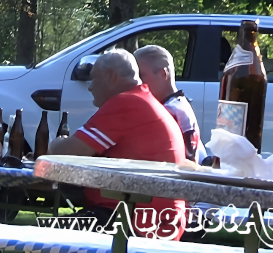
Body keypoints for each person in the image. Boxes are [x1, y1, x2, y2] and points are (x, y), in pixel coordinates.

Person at [48, 49, 187, 240]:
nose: (90, 87)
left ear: (111, 77)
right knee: (52, 230)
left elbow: (63, 153)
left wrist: (57, 143)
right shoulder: (142, 100)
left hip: (136, 219)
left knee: (43, 236)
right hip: (153, 218)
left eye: (94, 79)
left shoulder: (126, 103)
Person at [134, 45, 206, 164]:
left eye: (140, 76)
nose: (137, 82)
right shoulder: (179, 104)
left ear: (163, 74)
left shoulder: (169, 111)